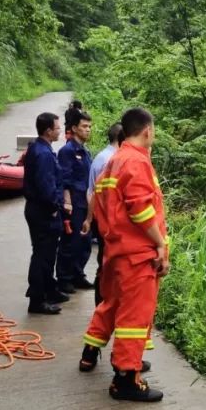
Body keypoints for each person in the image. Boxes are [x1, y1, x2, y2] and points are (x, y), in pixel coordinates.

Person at [79, 107, 168, 402]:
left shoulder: (113, 162)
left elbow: (103, 205)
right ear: (147, 131)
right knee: (134, 316)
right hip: (137, 255)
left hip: (117, 251)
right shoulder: (136, 162)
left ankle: (92, 353)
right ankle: (126, 378)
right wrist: (159, 245)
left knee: (113, 305)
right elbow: (141, 210)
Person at [23, 112, 68, 315]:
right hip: (43, 211)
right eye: (57, 128)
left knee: (47, 254)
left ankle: (49, 290)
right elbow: (45, 186)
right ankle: (37, 299)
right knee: (42, 256)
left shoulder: (41, 149)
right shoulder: (42, 154)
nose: (59, 131)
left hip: (40, 209)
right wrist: (53, 208)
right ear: (49, 131)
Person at [82, 122, 123, 306]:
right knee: (107, 266)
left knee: (104, 264)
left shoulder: (101, 156)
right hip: (109, 223)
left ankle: (102, 304)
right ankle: (104, 304)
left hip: (101, 220)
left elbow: (91, 192)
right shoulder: (111, 161)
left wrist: (90, 219)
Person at [55, 111, 95, 294]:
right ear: (74, 128)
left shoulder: (85, 151)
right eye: (84, 126)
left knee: (85, 242)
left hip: (85, 203)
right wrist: (67, 203)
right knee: (70, 242)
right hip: (74, 203)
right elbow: (63, 179)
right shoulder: (67, 151)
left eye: (89, 127)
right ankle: (64, 278)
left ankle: (78, 274)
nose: (88, 130)